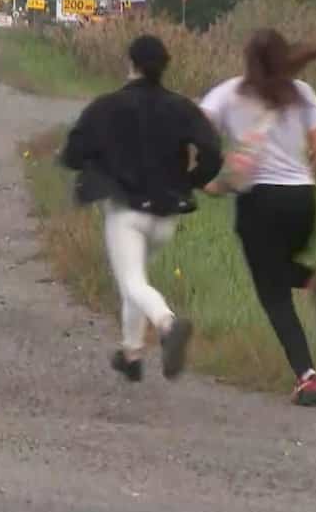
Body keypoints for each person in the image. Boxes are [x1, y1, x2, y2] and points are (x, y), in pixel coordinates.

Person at [60, 35, 223, 382]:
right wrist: (190, 181)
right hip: (167, 215)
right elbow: (213, 153)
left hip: (126, 210)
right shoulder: (182, 108)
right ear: (165, 66)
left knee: (132, 280)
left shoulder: (106, 106)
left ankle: (167, 325)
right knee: (136, 279)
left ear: (130, 63)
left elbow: (72, 154)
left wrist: (100, 163)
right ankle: (132, 353)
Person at [200, 28, 316, 407]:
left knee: (272, 293)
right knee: (279, 269)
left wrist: (208, 176)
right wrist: (308, 182)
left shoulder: (229, 94)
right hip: (302, 201)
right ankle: (315, 279)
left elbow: (197, 133)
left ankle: (308, 377)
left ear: (247, 58)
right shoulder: (303, 95)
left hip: (258, 203)